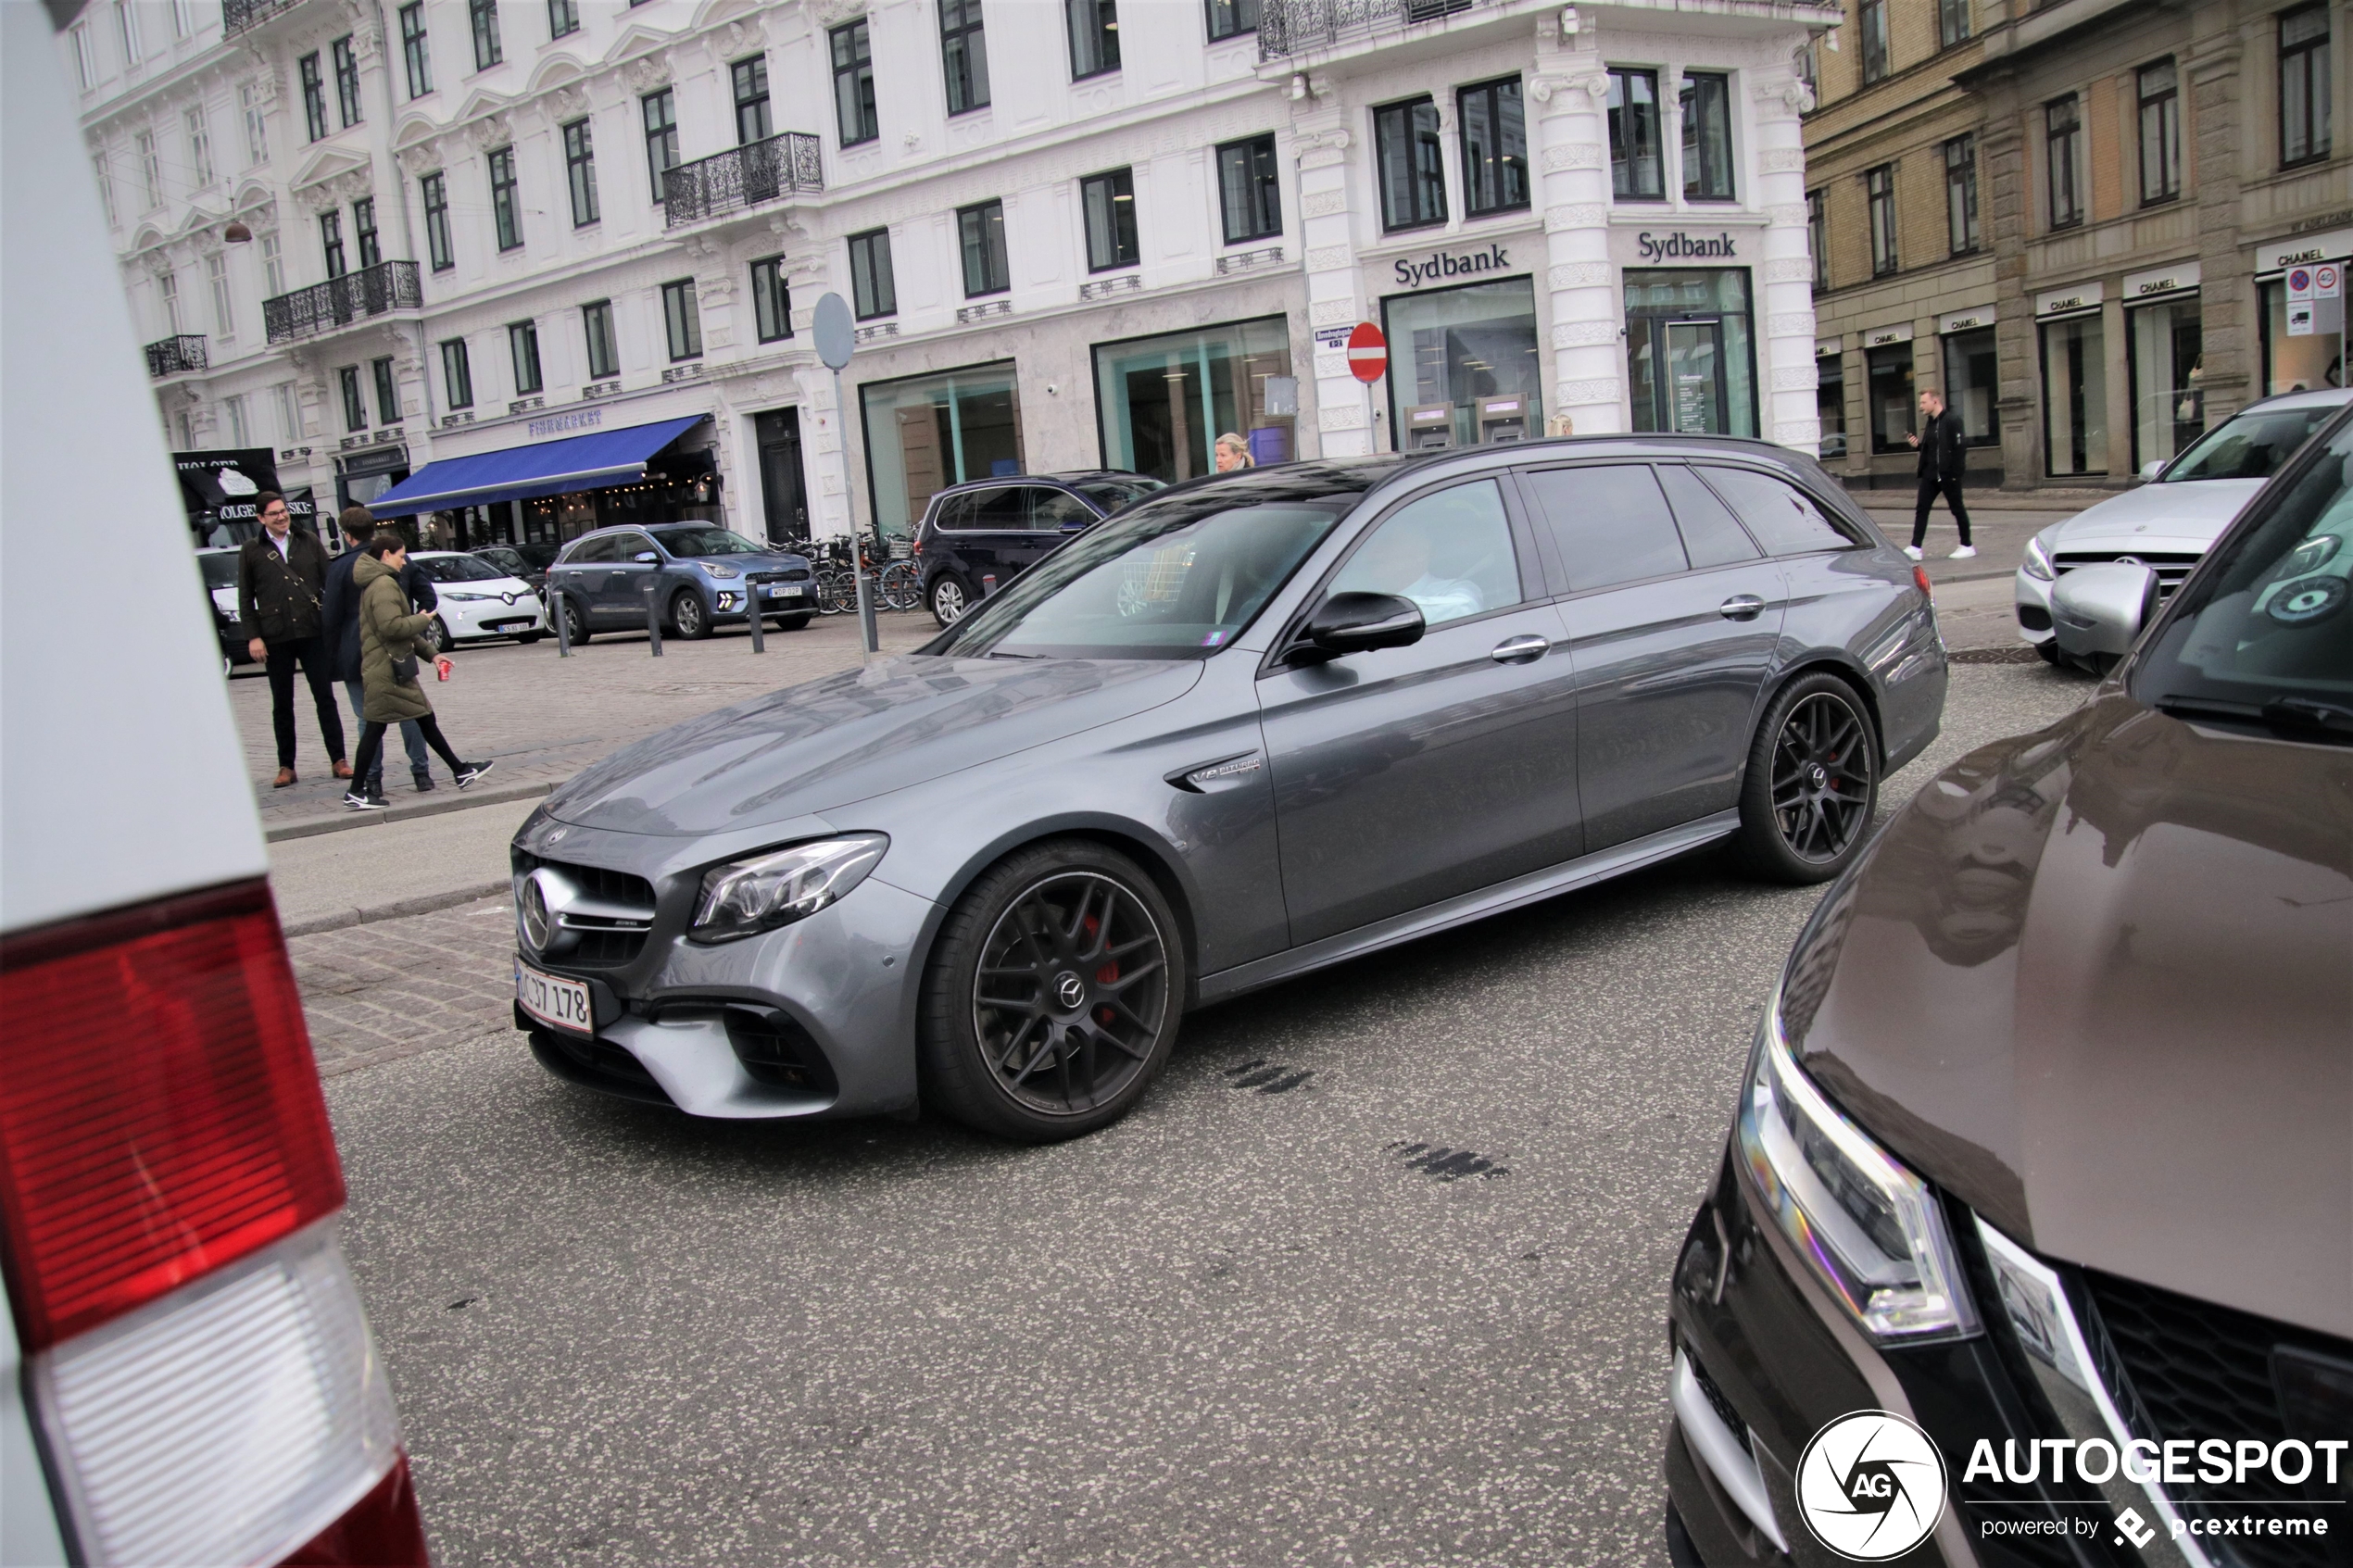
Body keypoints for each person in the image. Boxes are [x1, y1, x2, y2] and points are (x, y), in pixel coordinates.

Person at [344, 532, 493, 810]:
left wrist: (433, 655)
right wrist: (421, 619)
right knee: (383, 726)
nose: (404, 563)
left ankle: (460, 770)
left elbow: (399, 632)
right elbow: (393, 627)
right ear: (386, 555)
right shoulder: (384, 585)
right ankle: (355, 791)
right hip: (388, 671)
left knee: (421, 717)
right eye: (401, 556)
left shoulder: (377, 583)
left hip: (387, 668)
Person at [237, 491, 350, 788]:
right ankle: (287, 766)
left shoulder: (308, 540)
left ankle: (339, 759)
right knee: (282, 704)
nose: (281, 516)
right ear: (261, 518)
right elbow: (246, 598)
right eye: (273, 513)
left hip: (313, 632)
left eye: (283, 511)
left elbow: (330, 582)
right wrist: (254, 637)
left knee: (325, 697)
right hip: (276, 636)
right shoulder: (252, 550)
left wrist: (337, 622)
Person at [323, 506, 434, 794]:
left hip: (354, 654)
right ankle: (421, 773)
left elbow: (330, 617)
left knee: (367, 718)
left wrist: (330, 658)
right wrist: (414, 628)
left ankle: (372, 780)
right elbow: (427, 595)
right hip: (396, 648)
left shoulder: (339, 568)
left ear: (347, 536)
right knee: (410, 712)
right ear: (374, 529)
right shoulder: (396, 558)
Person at [1903, 389, 1976, 561]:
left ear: (1935, 401)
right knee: (1922, 509)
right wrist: (1917, 446)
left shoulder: (1952, 421)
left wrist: (1955, 473)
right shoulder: (1931, 423)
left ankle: (1967, 545)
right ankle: (1915, 547)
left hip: (1948, 474)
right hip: (1930, 474)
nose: (1921, 406)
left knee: (1957, 508)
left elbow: (1960, 448)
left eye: (1923, 402)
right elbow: (1931, 449)